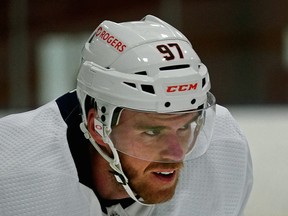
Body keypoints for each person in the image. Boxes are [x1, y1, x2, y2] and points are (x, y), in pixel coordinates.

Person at [0, 15, 253, 216]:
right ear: (98, 127)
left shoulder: (224, 150)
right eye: (153, 132)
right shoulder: (13, 170)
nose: (176, 154)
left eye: (185, 127)